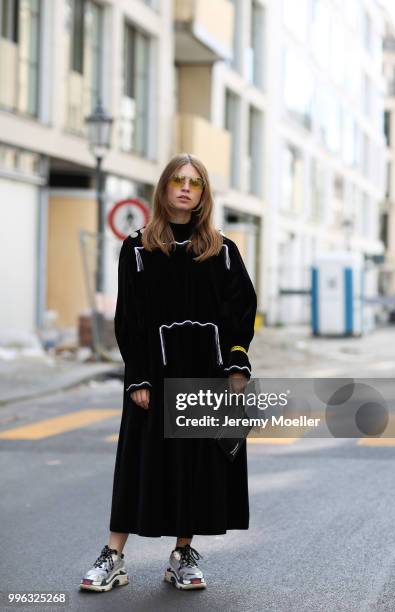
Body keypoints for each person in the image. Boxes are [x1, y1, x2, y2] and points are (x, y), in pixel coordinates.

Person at [80, 153, 257, 592]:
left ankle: (182, 553)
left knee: (196, 468)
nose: (185, 187)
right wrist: (138, 375)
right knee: (138, 465)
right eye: (177, 180)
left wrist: (236, 363)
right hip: (154, 379)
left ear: (203, 194)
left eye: (194, 183)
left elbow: (241, 312)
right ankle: (113, 555)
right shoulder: (138, 248)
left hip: (206, 377)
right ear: (163, 188)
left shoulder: (223, 250)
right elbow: (129, 319)